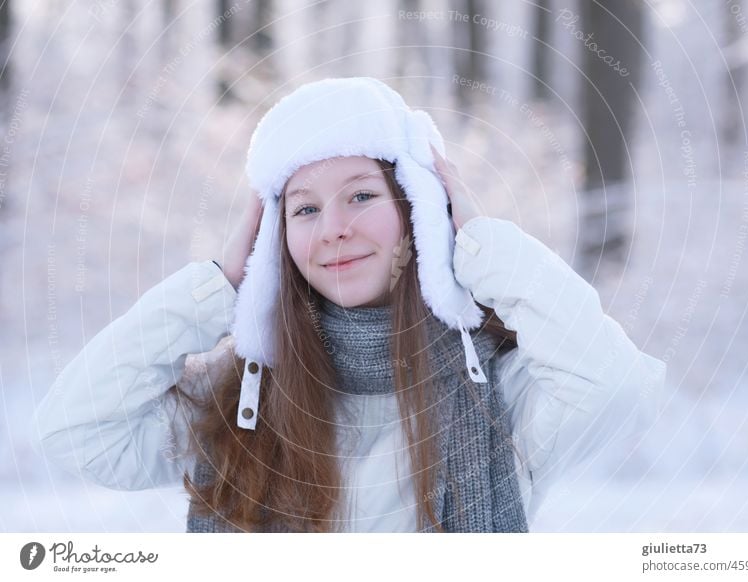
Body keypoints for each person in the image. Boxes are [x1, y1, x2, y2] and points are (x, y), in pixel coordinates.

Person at [32, 77, 667, 533]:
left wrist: (479, 246)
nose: (332, 226)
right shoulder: (238, 405)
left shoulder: (503, 396)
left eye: (361, 196)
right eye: (304, 208)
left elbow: (616, 386)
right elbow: (75, 431)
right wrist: (221, 287)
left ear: (419, 213)